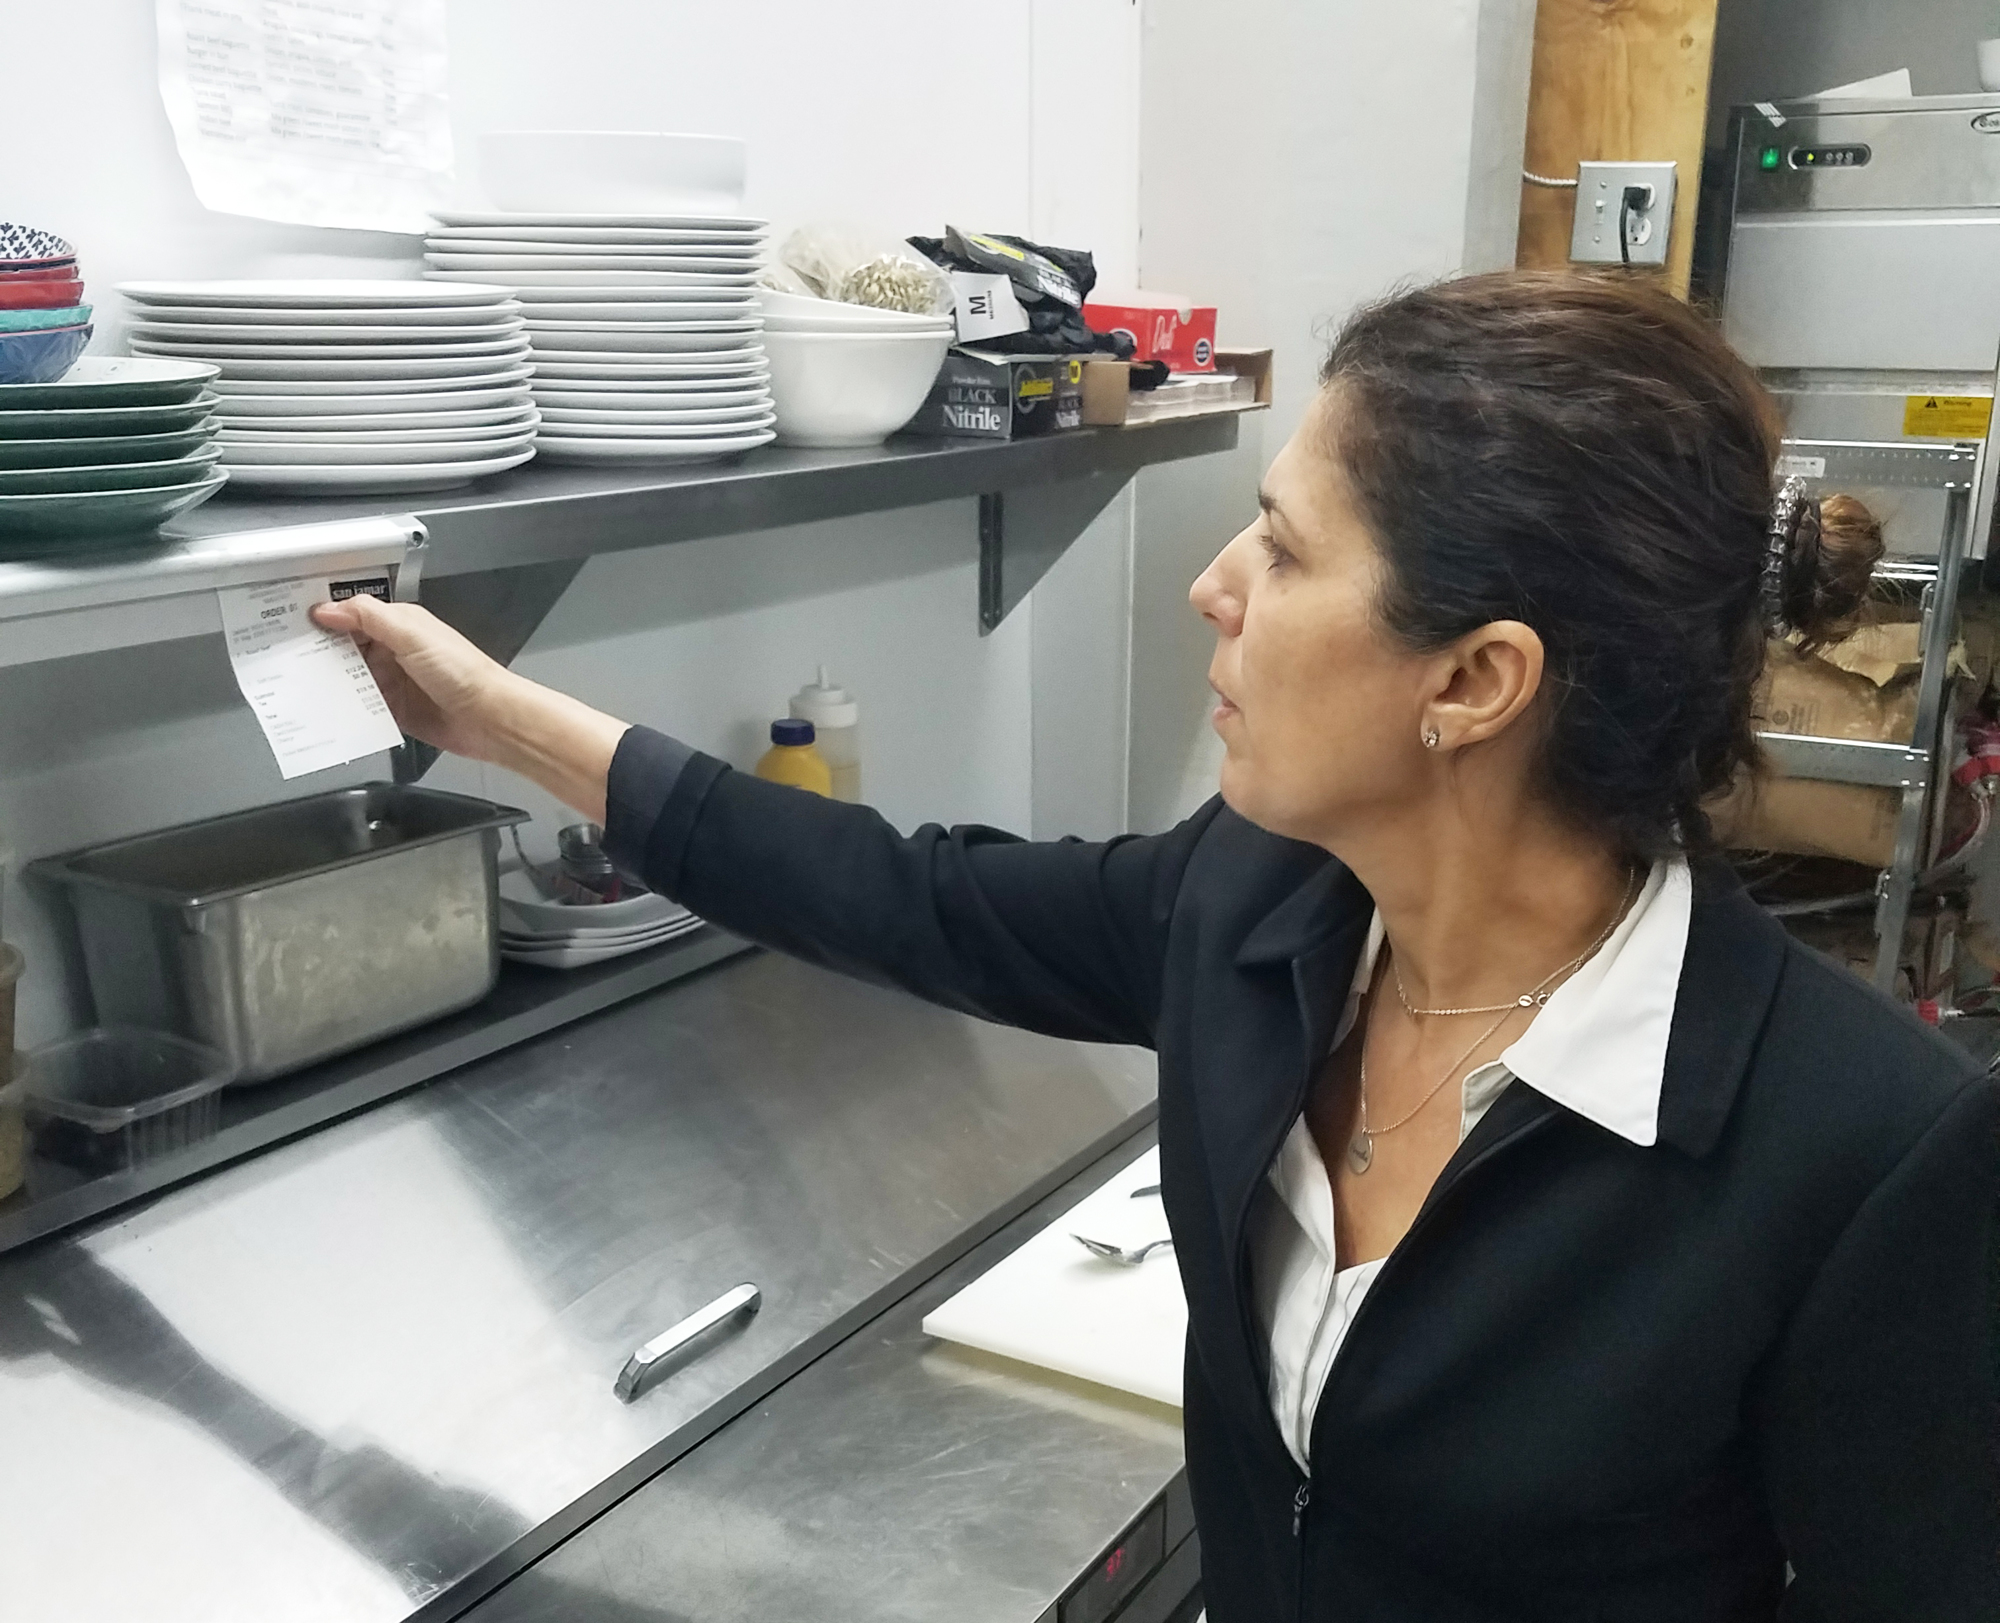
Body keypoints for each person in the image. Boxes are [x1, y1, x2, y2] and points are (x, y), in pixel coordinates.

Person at [313, 272, 1998, 1621]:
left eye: (1282, 543)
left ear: (1473, 681)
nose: (1215, 585)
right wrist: (498, 718)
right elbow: (911, 894)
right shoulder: (1259, 906)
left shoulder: (1867, 1160)